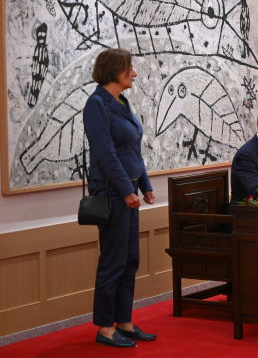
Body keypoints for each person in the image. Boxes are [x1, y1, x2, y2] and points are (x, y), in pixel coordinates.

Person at [83, 48, 156, 348]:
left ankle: (123, 322)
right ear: (115, 71)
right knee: (112, 260)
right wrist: (127, 190)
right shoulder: (97, 104)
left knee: (130, 259)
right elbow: (105, 154)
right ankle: (104, 327)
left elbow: (132, 150)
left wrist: (145, 184)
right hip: (113, 192)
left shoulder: (121, 102)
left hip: (129, 190)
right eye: (130, 68)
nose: (134, 74)